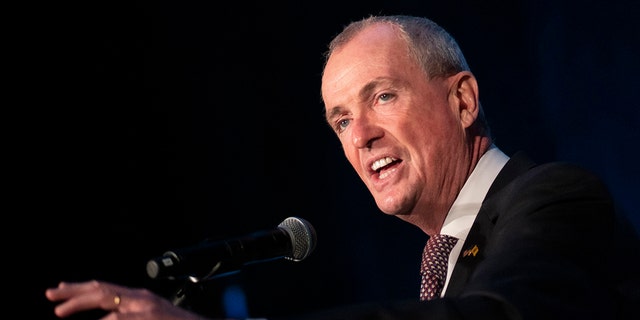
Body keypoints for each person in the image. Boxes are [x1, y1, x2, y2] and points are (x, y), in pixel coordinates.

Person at [45, 14, 639, 319]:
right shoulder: (445, 261)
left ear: (462, 100)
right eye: (340, 121)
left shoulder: (558, 198)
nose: (361, 136)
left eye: (382, 97)